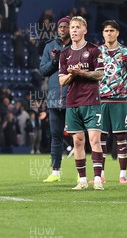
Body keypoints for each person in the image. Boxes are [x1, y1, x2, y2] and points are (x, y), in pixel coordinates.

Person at [58, 16, 105, 190]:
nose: (74, 30)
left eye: (78, 27)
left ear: (85, 30)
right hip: (72, 102)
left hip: (91, 101)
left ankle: (98, 178)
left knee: (94, 140)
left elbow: (99, 75)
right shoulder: (65, 54)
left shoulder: (94, 50)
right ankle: (82, 180)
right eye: (72, 27)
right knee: (78, 141)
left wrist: (82, 73)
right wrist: (72, 74)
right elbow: (62, 81)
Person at [97, 20, 127, 184]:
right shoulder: (96, 52)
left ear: (118, 33)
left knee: (121, 137)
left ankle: (122, 175)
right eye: (106, 30)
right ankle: (101, 174)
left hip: (119, 100)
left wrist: (125, 90)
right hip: (101, 99)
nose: (109, 33)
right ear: (103, 33)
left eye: (112, 30)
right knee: (100, 137)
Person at [39, 16, 71, 183]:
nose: (62, 29)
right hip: (53, 99)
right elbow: (43, 70)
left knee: (79, 136)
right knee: (55, 136)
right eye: (60, 26)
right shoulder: (49, 46)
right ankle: (55, 172)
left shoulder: (77, 47)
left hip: (72, 97)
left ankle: (85, 173)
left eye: (66, 26)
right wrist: (54, 61)